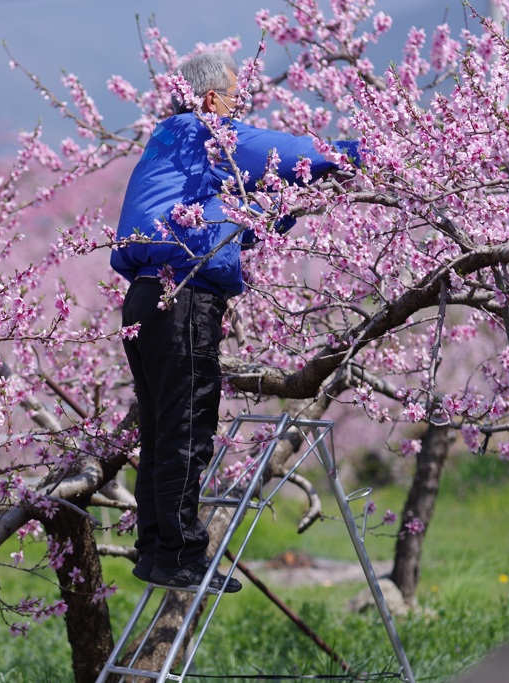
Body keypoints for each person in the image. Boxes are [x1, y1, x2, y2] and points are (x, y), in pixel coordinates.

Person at [113, 51, 360, 592]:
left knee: (159, 431)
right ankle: (181, 555)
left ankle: (155, 550)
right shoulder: (206, 132)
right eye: (233, 99)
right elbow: (285, 151)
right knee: (186, 429)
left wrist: (284, 205)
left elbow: (230, 220)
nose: (238, 109)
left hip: (145, 297)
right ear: (208, 100)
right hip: (183, 299)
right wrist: (352, 154)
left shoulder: (172, 144)